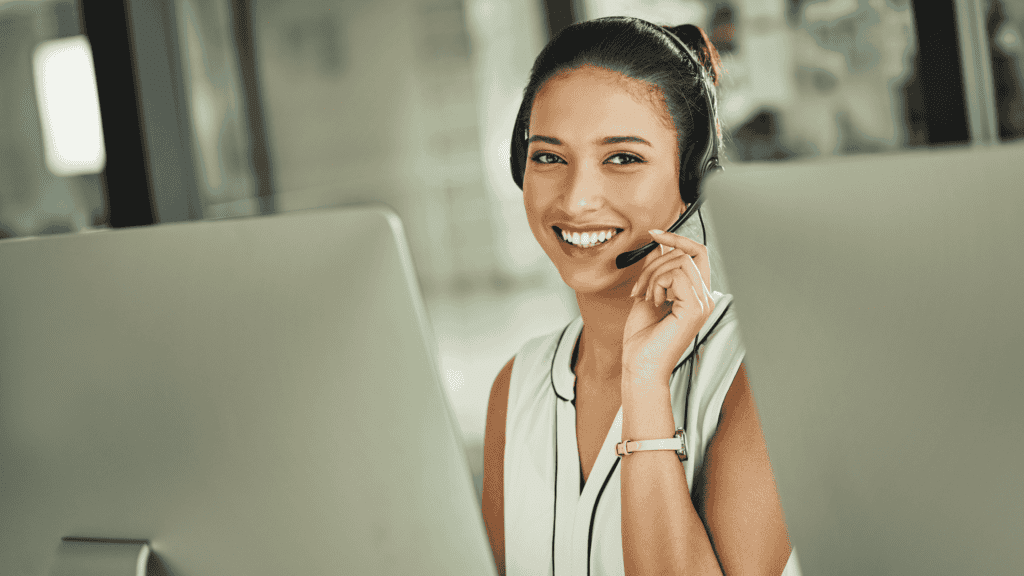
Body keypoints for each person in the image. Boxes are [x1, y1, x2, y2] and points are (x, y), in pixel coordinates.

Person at [482, 17, 801, 576]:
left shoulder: (762, 373)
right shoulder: (517, 385)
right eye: (549, 157)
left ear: (692, 181)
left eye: (622, 158)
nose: (577, 200)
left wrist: (646, 380)